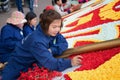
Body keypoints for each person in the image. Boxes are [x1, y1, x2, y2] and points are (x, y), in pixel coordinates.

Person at [2, 10, 82, 80]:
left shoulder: (49, 30)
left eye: (59, 26)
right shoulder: (37, 41)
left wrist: (52, 50)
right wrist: (70, 63)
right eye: (54, 27)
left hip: (29, 64)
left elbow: (64, 43)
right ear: (45, 25)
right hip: (16, 68)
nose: (57, 30)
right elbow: (51, 63)